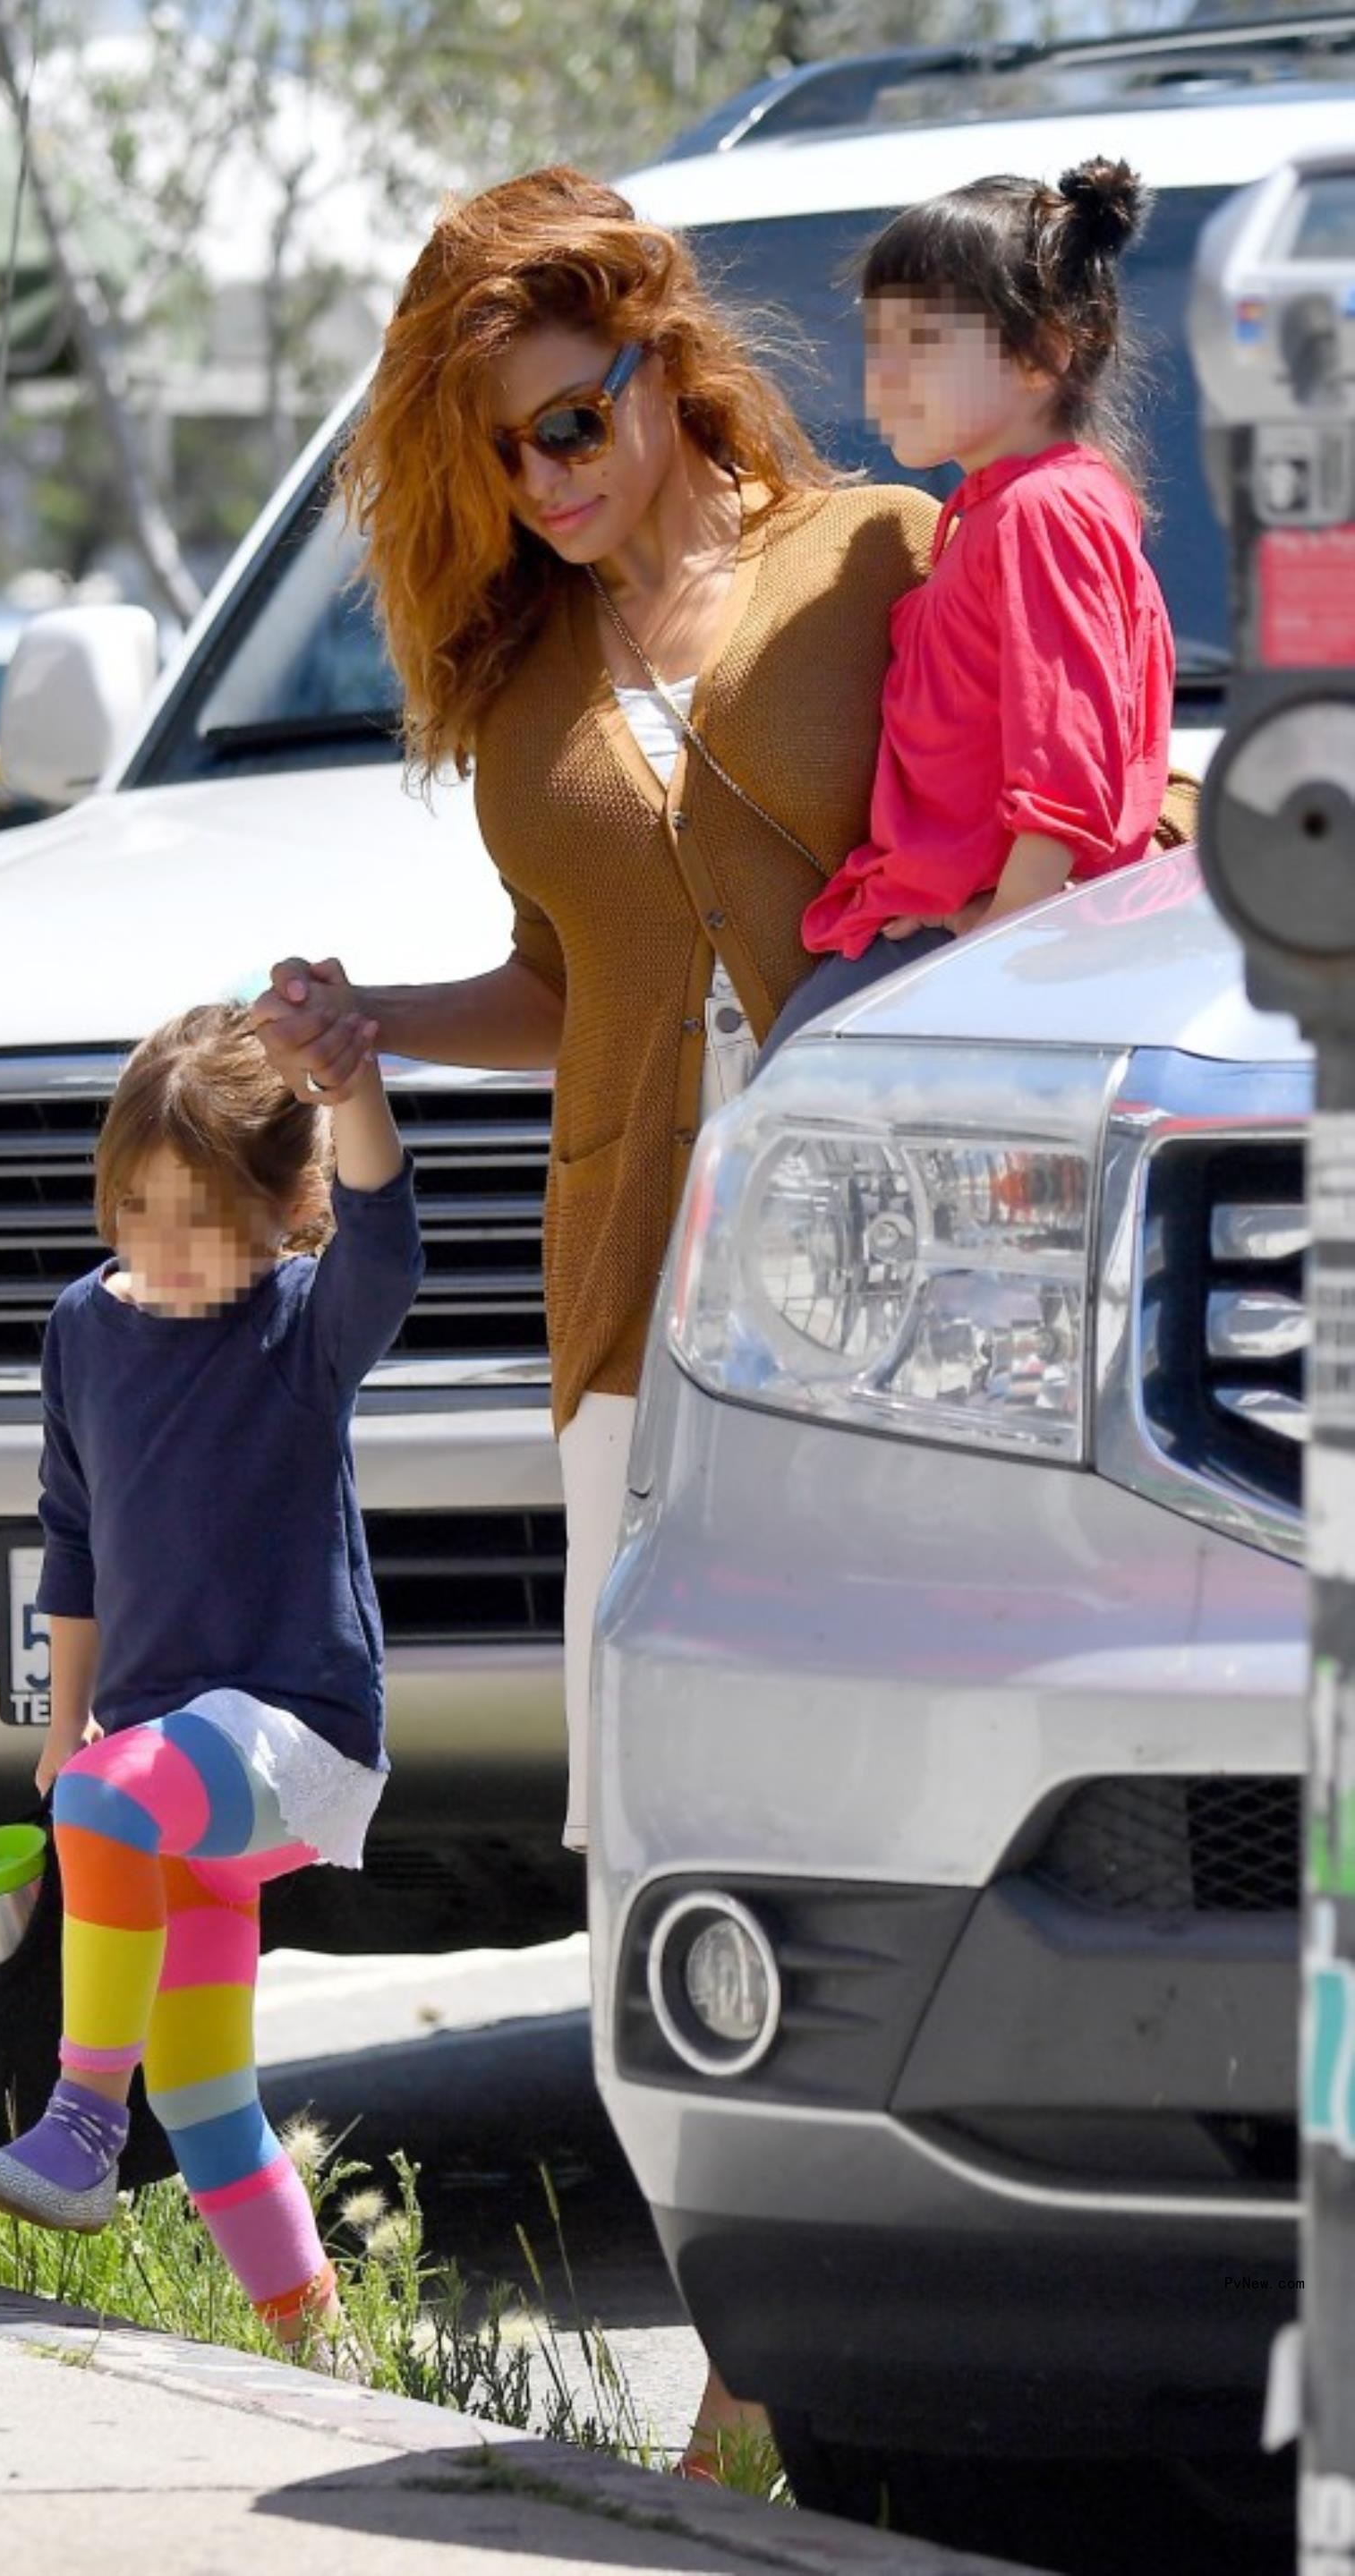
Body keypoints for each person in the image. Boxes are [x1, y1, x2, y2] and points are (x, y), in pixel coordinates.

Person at [246, 166, 1194, 2473]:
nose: (547, 487)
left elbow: (1075, 773)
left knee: (901, 1791)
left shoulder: (884, 549)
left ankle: (947, 2349)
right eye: (501, 461)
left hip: (909, 1288)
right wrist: (376, 1021)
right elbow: (572, 993)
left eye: (572, 426)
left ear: (667, 370)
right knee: (653, 1835)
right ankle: (747, 2375)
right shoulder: (516, 692)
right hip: (627, 1302)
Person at [0, 1004, 423, 2364]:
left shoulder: (301, 1325)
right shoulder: (83, 1331)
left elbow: (388, 1247)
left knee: (110, 1799)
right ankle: (329, 2355)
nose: (160, 1243)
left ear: (284, 1210)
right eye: (136, 1207)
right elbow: (76, 1534)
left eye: (202, 1216)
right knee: (211, 2094)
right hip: (169, 1761)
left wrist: (360, 1091)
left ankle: (83, 2127)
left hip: (296, 1733)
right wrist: (66, 1722)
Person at [764, 157, 1174, 1052]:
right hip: (949, 936)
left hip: (976, 961)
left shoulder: (1044, 508)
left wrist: (994, 952)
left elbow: (1066, 775)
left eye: (923, 347)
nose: (884, 383)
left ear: (1048, 350)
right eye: (877, 350)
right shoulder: (999, 507)